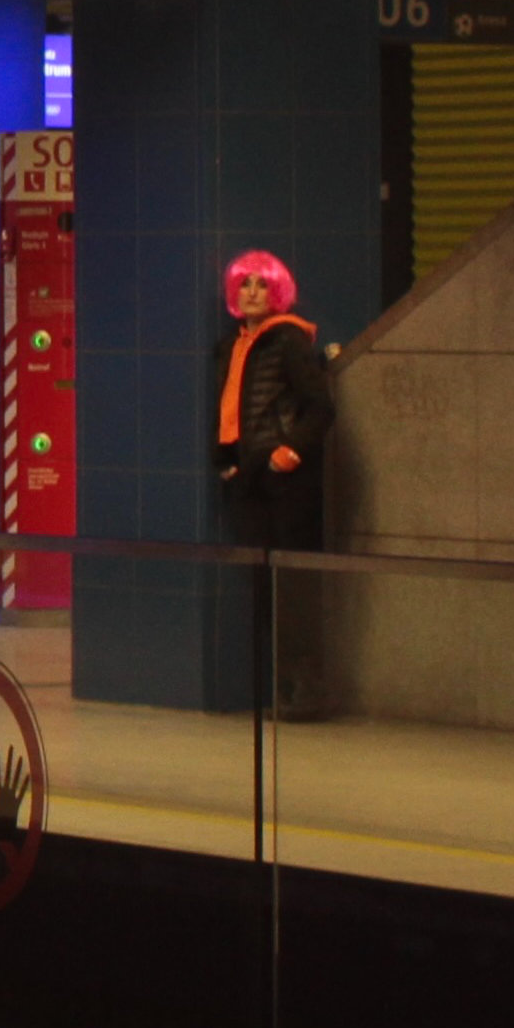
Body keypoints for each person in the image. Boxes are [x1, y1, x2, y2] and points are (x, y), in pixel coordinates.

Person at [212, 247, 333, 718]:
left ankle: (302, 689)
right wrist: (227, 462)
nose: (253, 293)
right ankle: (281, 689)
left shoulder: (288, 341)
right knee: (263, 588)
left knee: (292, 588)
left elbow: (320, 407)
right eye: (245, 284)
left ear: (278, 291)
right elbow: (228, 408)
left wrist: (290, 453)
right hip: (249, 477)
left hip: (285, 481)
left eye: (262, 284)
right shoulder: (233, 345)